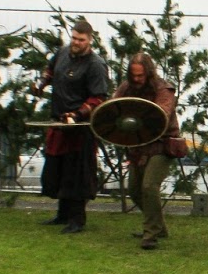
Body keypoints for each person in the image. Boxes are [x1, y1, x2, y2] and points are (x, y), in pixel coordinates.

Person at [38, 20, 111, 234]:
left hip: (80, 128)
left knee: (77, 174)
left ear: (90, 40)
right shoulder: (62, 53)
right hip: (59, 123)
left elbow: (98, 98)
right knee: (58, 171)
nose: (76, 42)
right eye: (74, 38)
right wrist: (41, 84)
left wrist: (77, 114)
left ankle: (77, 219)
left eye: (81, 39)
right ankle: (62, 215)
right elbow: (50, 70)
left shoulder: (95, 64)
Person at [114, 52, 186, 250]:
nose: (137, 79)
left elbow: (161, 114)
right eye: (134, 75)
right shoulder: (126, 88)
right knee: (135, 190)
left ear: (149, 73)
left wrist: (136, 116)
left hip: (162, 145)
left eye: (141, 75)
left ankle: (150, 234)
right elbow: (113, 108)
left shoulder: (163, 89)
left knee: (148, 186)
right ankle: (159, 227)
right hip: (137, 146)